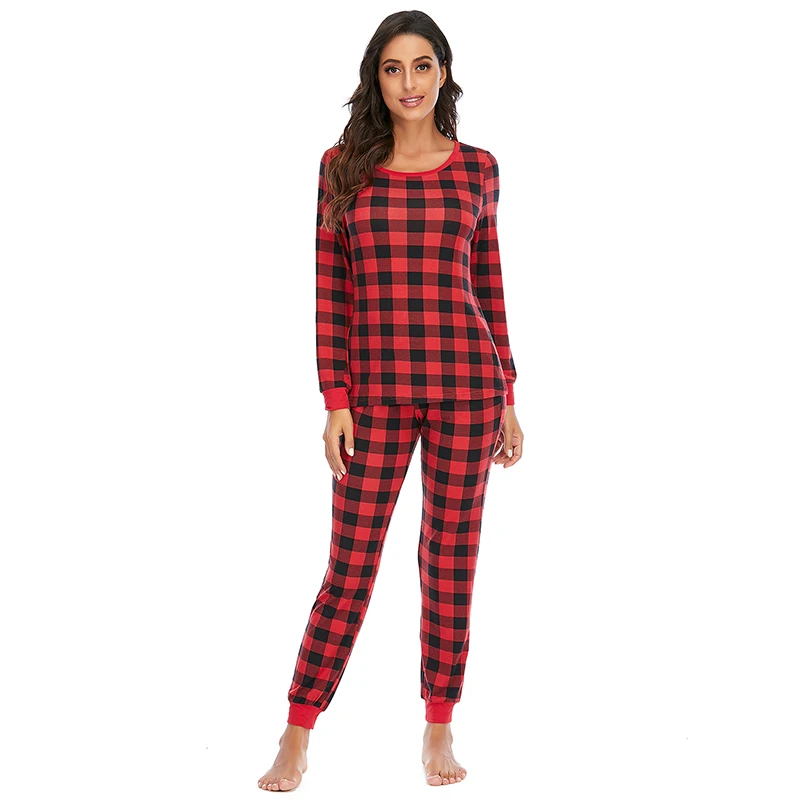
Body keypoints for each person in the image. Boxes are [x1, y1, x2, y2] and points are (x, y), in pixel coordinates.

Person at [258, 10, 524, 792]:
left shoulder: (479, 170)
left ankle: (439, 726)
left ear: (444, 72)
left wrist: (509, 392)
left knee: (450, 560)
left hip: (467, 386)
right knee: (350, 565)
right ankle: (297, 731)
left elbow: (489, 284)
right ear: (375, 79)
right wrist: (334, 397)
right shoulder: (341, 167)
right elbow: (329, 289)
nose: (409, 82)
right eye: (392, 68)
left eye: (422, 66)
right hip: (373, 393)